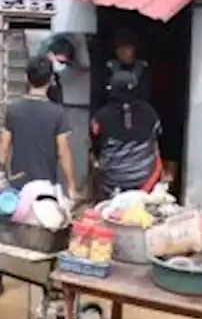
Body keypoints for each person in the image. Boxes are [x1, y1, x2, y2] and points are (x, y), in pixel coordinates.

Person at [0, 56, 79, 298]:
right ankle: (48, 286)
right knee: (48, 235)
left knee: (6, 229)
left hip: (18, 181)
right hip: (44, 187)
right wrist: (71, 185)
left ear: (26, 78)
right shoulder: (57, 113)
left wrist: (0, 171)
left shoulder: (14, 109)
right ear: (51, 81)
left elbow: (3, 148)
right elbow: (63, 152)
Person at [91, 69, 163, 197]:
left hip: (112, 182)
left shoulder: (101, 116)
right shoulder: (150, 112)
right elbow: (158, 139)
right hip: (144, 181)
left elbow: (95, 145)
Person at [106, 28, 151, 105]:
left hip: (137, 110)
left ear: (134, 48)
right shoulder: (109, 68)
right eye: (119, 47)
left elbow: (145, 96)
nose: (123, 51)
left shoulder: (142, 68)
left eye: (127, 47)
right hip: (113, 110)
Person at [36, 35, 76, 104]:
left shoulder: (57, 85)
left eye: (64, 62)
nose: (61, 65)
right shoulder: (38, 73)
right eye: (59, 61)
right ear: (49, 54)